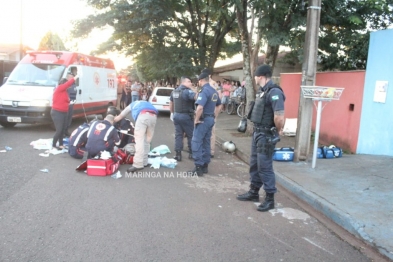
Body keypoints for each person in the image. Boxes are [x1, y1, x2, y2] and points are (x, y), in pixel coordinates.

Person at [237, 64, 285, 212]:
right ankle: (254, 192)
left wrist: (278, 130)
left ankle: (270, 199)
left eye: (256, 76)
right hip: (258, 133)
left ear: (261, 76)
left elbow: (279, 115)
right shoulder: (262, 91)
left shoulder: (275, 91)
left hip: (266, 135)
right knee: (255, 164)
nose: (255, 78)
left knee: (265, 167)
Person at [188, 72, 221, 176]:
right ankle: (205, 166)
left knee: (196, 142)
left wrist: (196, 120)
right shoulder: (214, 91)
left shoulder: (204, 91)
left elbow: (200, 107)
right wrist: (214, 116)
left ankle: (198, 168)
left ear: (201, 80)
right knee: (206, 142)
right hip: (210, 119)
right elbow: (219, 105)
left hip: (203, 120)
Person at [114, 100, 158, 172]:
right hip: (153, 117)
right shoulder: (145, 103)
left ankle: (138, 164)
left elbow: (121, 116)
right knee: (147, 140)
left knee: (139, 140)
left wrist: (113, 120)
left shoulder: (132, 105)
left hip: (143, 116)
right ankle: (144, 161)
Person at [169, 76, 197, 161]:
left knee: (178, 135)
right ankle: (191, 153)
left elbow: (171, 103)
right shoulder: (188, 92)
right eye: (189, 81)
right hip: (186, 116)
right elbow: (196, 97)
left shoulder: (174, 91)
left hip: (176, 115)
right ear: (183, 82)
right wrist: (194, 90)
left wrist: (172, 113)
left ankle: (178, 155)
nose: (190, 83)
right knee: (190, 135)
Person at [50, 74, 78, 152]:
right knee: (59, 130)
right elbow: (67, 84)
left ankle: (61, 144)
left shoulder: (64, 91)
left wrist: (70, 102)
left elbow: (64, 100)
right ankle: (54, 145)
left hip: (64, 112)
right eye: (68, 85)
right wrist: (75, 78)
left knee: (62, 129)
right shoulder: (59, 88)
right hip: (57, 112)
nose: (69, 87)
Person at [64, 67, 78, 137]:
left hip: (71, 104)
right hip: (66, 104)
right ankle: (63, 132)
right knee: (65, 119)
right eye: (71, 77)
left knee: (69, 119)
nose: (72, 78)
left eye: (73, 77)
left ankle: (66, 131)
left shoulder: (73, 85)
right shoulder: (66, 85)